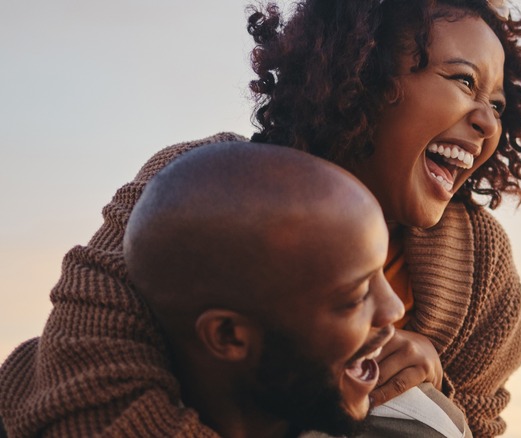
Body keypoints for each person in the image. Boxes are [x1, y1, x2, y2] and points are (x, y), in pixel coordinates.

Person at [0, 0, 521, 436]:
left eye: (498, 105)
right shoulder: (202, 183)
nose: (487, 122)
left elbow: (473, 425)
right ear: (368, 76)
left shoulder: (480, 263)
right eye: (463, 81)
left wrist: (436, 383)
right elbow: (86, 383)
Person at [122, 141, 404, 437]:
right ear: (228, 335)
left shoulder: (418, 423)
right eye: (357, 297)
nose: (394, 309)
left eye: (381, 273)